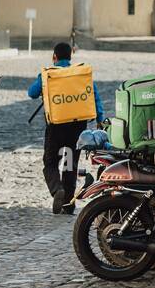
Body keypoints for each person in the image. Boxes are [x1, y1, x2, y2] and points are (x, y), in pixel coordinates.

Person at [27, 42, 105, 214]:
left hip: (56, 128)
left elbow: (31, 93)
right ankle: (68, 203)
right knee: (70, 163)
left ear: (54, 57)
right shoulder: (80, 74)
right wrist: (100, 119)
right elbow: (95, 97)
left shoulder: (48, 74)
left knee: (50, 162)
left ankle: (57, 190)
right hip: (76, 128)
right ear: (70, 57)